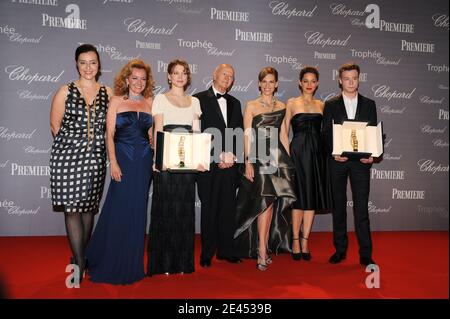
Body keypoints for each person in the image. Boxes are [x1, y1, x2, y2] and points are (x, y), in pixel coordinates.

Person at [86, 59, 154, 284]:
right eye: (134, 78)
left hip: (144, 163)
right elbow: (109, 134)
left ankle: (132, 260)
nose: (138, 82)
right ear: (126, 79)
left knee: (138, 208)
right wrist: (113, 162)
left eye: (143, 79)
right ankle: (107, 257)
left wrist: (157, 150)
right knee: (118, 207)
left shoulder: (149, 103)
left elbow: (152, 135)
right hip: (123, 161)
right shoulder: (115, 101)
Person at [49, 44, 112, 284]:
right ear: (77, 64)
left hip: (95, 159)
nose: (88, 67)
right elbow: (55, 126)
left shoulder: (107, 91)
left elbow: (115, 122)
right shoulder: (65, 91)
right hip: (67, 159)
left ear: (99, 65)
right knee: (72, 209)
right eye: (83, 62)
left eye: (93, 62)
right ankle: (80, 262)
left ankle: (79, 256)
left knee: (87, 209)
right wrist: (72, 148)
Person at [234, 67, 296, 271]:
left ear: (277, 84)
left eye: (272, 82)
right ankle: (261, 249)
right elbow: (246, 135)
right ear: (259, 84)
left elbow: (284, 135)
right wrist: (248, 162)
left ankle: (263, 246)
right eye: (264, 82)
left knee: (270, 204)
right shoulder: (251, 105)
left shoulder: (283, 105)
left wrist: (288, 163)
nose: (268, 85)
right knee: (264, 202)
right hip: (259, 156)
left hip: (277, 158)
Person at [147, 59, 203, 276]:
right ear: (169, 76)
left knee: (184, 211)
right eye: (176, 73)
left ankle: (182, 263)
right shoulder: (160, 98)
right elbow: (159, 130)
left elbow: (196, 133)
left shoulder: (194, 101)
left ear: (188, 77)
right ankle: (162, 264)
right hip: (167, 161)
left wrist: (199, 159)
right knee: (165, 210)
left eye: (184, 73)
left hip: (187, 163)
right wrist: (158, 161)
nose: (180, 76)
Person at [322, 62, 377, 266]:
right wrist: (334, 152)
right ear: (340, 80)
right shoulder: (330, 104)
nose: (351, 81)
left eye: (354, 78)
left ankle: (365, 254)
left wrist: (373, 154)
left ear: (359, 79)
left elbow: (372, 133)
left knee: (361, 209)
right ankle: (340, 250)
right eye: (347, 78)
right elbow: (325, 133)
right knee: (339, 208)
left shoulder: (370, 104)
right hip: (338, 162)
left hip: (361, 163)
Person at [280, 66, 332, 261]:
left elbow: (327, 133)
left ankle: (305, 240)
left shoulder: (322, 105)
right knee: (299, 198)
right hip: (298, 153)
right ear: (300, 82)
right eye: (306, 81)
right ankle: (294, 239)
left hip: (317, 154)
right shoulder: (292, 103)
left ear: (317, 83)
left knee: (311, 198)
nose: (309, 84)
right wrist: (286, 157)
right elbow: (284, 132)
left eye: (313, 81)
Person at [194, 64, 244, 268]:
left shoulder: (235, 102)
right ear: (214, 75)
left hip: (230, 165)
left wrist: (233, 156)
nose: (227, 78)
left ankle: (227, 251)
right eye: (224, 74)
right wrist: (217, 155)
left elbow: (239, 133)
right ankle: (207, 253)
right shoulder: (198, 99)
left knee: (227, 209)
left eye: (231, 76)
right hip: (208, 165)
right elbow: (197, 133)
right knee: (209, 210)